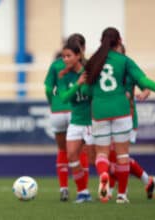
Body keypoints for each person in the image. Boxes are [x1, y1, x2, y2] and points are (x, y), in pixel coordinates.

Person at [84, 27, 155, 203]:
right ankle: (121, 195)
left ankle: (104, 175)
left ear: (101, 42)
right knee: (122, 155)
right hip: (121, 110)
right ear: (119, 41)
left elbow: (85, 90)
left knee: (102, 154)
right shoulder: (124, 61)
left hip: (100, 111)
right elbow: (144, 81)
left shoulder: (92, 62)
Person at [107, 43, 155, 199]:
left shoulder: (129, 69)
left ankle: (115, 189)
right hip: (111, 117)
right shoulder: (108, 70)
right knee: (115, 155)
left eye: (119, 53)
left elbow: (146, 85)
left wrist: (145, 93)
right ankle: (147, 180)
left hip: (127, 118)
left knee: (118, 155)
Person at [44, 33, 87, 201]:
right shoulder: (84, 66)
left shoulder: (56, 66)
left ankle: (63, 187)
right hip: (75, 110)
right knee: (79, 150)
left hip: (57, 110)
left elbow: (48, 89)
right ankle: (82, 189)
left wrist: (51, 104)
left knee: (63, 150)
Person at [57, 41, 92, 203]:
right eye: (63, 56)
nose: (65, 59)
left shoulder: (90, 72)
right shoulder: (64, 76)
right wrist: (78, 85)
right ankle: (83, 192)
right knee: (71, 155)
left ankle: (133, 182)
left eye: (68, 55)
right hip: (76, 120)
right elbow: (64, 98)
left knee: (96, 159)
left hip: (92, 121)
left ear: (78, 56)